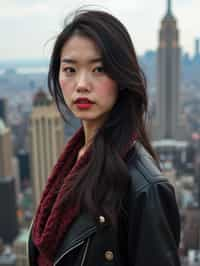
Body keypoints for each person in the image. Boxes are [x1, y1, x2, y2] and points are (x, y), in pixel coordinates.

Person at [27, 9, 181, 266]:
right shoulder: (73, 161)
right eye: (70, 69)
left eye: (98, 69)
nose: (82, 84)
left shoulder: (145, 187)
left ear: (122, 77)